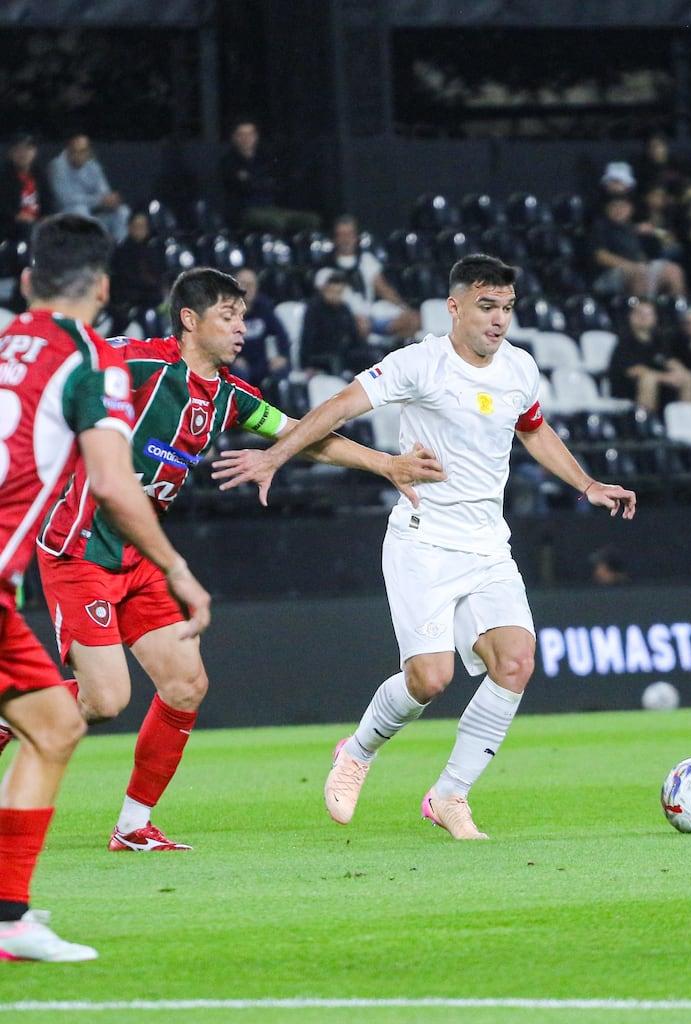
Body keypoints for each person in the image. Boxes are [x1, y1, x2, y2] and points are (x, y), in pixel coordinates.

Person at [212, 254, 636, 840]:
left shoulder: (519, 369)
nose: (499, 321)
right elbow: (338, 407)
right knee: (429, 680)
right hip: (424, 541)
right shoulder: (418, 364)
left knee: (515, 662)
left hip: (488, 545)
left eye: (507, 309)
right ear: (454, 307)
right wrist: (274, 455)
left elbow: (533, 429)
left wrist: (587, 484)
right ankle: (358, 751)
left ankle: (449, 795)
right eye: (487, 307)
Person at [35, 267, 444, 853]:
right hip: (81, 544)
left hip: (143, 552)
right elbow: (55, 372)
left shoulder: (227, 396)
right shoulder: (135, 364)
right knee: (104, 701)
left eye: (244, 317)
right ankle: (14, 709)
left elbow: (305, 435)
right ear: (190, 320)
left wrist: (387, 464)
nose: (242, 329)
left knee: (185, 684)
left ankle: (132, 826)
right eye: (229, 316)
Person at [0, 214, 210, 961]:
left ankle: (10, 918)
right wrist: (178, 568)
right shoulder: (92, 361)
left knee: (58, 723)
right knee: (70, 717)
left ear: (27, 282)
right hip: (46, 565)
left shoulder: (4, 343)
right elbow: (116, 484)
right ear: (103, 286)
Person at [320, 215, 422, 341]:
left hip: (372, 314)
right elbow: (332, 302)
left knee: (414, 319)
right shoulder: (326, 269)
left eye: (349, 234)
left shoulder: (366, 260)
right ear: (335, 238)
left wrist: (403, 307)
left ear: (356, 237)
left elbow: (383, 289)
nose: (346, 240)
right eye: (342, 235)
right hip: (348, 321)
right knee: (360, 325)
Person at [219, 119, 320, 235]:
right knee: (276, 222)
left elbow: (277, 183)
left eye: (250, 134)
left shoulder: (265, 159)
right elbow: (243, 187)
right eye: (242, 135)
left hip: (272, 207)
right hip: (245, 211)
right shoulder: (229, 162)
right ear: (235, 137)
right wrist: (260, 183)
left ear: (256, 136)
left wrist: (255, 181)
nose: (246, 138)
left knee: (311, 219)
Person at [589, 195, 686, 299]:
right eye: (614, 206)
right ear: (607, 209)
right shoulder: (601, 226)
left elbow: (666, 242)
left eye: (623, 206)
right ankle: (644, 311)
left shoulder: (633, 228)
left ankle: (678, 309)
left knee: (674, 270)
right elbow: (600, 256)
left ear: (630, 209)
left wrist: (651, 234)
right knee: (640, 273)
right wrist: (631, 266)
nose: (619, 210)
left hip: (641, 267)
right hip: (609, 274)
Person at [608, 297, 691, 411]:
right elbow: (634, 371)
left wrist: (679, 373)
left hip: (659, 386)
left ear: (655, 319)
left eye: (648, 314)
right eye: (639, 313)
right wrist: (665, 378)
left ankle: (685, 420)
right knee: (648, 379)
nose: (643, 317)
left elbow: (670, 361)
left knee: (687, 376)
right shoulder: (625, 341)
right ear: (631, 317)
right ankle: (647, 423)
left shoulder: (658, 342)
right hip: (628, 388)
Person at [48, 134, 130, 242]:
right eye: (75, 151)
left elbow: (104, 192)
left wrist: (110, 200)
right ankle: (86, 254)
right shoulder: (57, 167)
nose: (79, 155)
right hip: (66, 219)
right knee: (80, 210)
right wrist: (99, 200)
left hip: (94, 215)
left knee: (123, 212)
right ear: (68, 150)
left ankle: (118, 252)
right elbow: (66, 200)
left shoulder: (93, 165)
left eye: (83, 151)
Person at [232, 267, 291, 396]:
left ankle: (282, 412)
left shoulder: (264, 307)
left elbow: (281, 335)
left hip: (262, 361)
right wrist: (233, 359)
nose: (249, 288)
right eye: (244, 284)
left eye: (252, 285)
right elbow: (218, 341)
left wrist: (282, 356)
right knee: (239, 374)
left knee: (281, 370)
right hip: (236, 362)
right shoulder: (227, 310)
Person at [108, 211, 165, 335]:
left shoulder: (153, 250)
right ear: (129, 227)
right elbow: (124, 283)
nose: (140, 230)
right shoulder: (121, 252)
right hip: (129, 307)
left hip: (152, 301)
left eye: (143, 227)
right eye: (136, 226)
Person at [301, 270, 365, 375]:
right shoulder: (314, 309)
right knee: (336, 360)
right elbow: (307, 340)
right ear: (325, 290)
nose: (335, 296)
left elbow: (354, 337)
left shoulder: (344, 309)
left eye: (339, 293)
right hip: (321, 355)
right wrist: (307, 365)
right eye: (332, 292)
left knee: (370, 355)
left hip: (343, 352)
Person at [0, 133, 52, 241]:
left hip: (38, 222)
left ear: (34, 152)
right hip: (13, 226)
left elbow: (49, 201)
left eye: (28, 149)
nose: (23, 154)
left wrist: (47, 217)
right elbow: (3, 206)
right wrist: (16, 215)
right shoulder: (4, 177)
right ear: (11, 153)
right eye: (19, 149)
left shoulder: (40, 175)